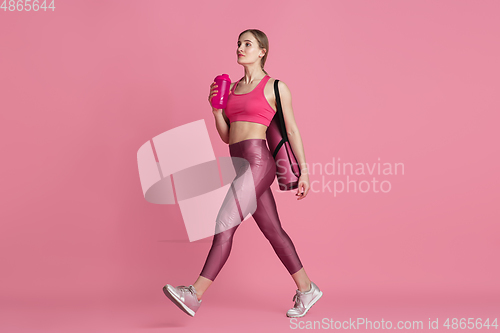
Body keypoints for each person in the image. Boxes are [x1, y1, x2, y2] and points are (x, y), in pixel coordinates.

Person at [163, 29, 322, 318]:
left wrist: (305, 172)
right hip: (239, 163)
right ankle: (308, 289)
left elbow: (293, 130)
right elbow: (227, 137)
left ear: (262, 51)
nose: (240, 47)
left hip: (259, 162)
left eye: (247, 44)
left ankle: (194, 294)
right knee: (273, 230)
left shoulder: (276, 87)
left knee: (225, 221)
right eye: (238, 43)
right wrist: (215, 111)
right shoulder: (233, 89)